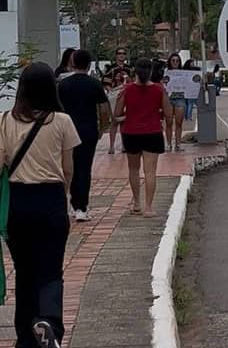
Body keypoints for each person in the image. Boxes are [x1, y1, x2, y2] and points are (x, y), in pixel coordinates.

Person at [0, 63, 80, 348]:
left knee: (24, 272)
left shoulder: (4, 120)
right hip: (51, 200)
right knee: (50, 271)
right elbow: (68, 169)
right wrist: (64, 198)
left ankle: (26, 343)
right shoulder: (62, 121)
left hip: (17, 203)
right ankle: (49, 324)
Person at [57, 50, 110, 222]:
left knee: (68, 167)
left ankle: (70, 204)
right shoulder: (95, 84)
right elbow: (104, 109)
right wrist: (102, 128)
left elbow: (57, 109)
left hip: (66, 130)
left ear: (72, 63)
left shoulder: (63, 85)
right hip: (88, 130)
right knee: (84, 168)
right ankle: (81, 207)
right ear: (89, 64)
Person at [115, 58, 171, 217]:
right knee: (150, 171)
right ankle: (149, 207)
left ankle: (137, 203)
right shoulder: (159, 90)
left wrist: (128, 115)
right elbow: (168, 113)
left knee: (133, 169)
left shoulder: (126, 89)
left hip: (131, 133)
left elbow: (117, 113)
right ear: (151, 71)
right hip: (152, 132)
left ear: (135, 71)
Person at [102, 47, 132, 155]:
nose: (121, 55)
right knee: (114, 121)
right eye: (119, 53)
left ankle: (124, 145)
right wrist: (112, 92)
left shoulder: (130, 69)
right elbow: (106, 82)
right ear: (116, 55)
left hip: (126, 95)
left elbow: (133, 81)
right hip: (115, 95)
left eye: (123, 53)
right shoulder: (111, 68)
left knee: (124, 121)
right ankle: (111, 146)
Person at [163, 53, 185, 153]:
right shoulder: (165, 72)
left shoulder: (184, 73)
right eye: (173, 60)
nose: (175, 62)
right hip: (168, 98)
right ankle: (168, 144)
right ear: (170, 62)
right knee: (168, 122)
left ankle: (178, 144)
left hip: (180, 98)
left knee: (179, 122)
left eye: (177, 60)